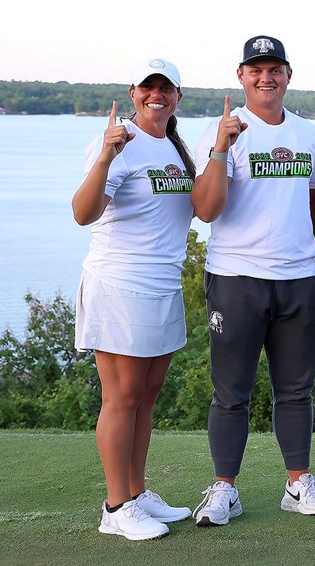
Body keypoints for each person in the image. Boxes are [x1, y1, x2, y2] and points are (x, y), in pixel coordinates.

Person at [189, 36, 315, 526]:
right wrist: (220, 149)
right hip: (235, 277)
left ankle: (298, 483)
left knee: (296, 389)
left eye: (275, 70)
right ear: (241, 75)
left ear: (288, 76)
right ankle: (224, 489)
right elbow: (205, 209)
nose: (265, 78)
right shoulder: (222, 129)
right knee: (232, 392)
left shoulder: (312, 135)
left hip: (296, 277)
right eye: (256, 70)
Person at [73, 58, 195, 540]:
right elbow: (83, 214)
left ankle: (138, 492)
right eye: (148, 88)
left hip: (162, 285)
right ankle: (115, 506)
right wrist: (104, 157)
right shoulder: (117, 142)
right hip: (119, 284)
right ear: (133, 92)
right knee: (121, 398)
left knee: (147, 397)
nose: (156, 95)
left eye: (165, 88)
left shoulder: (174, 146)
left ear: (178, 97)